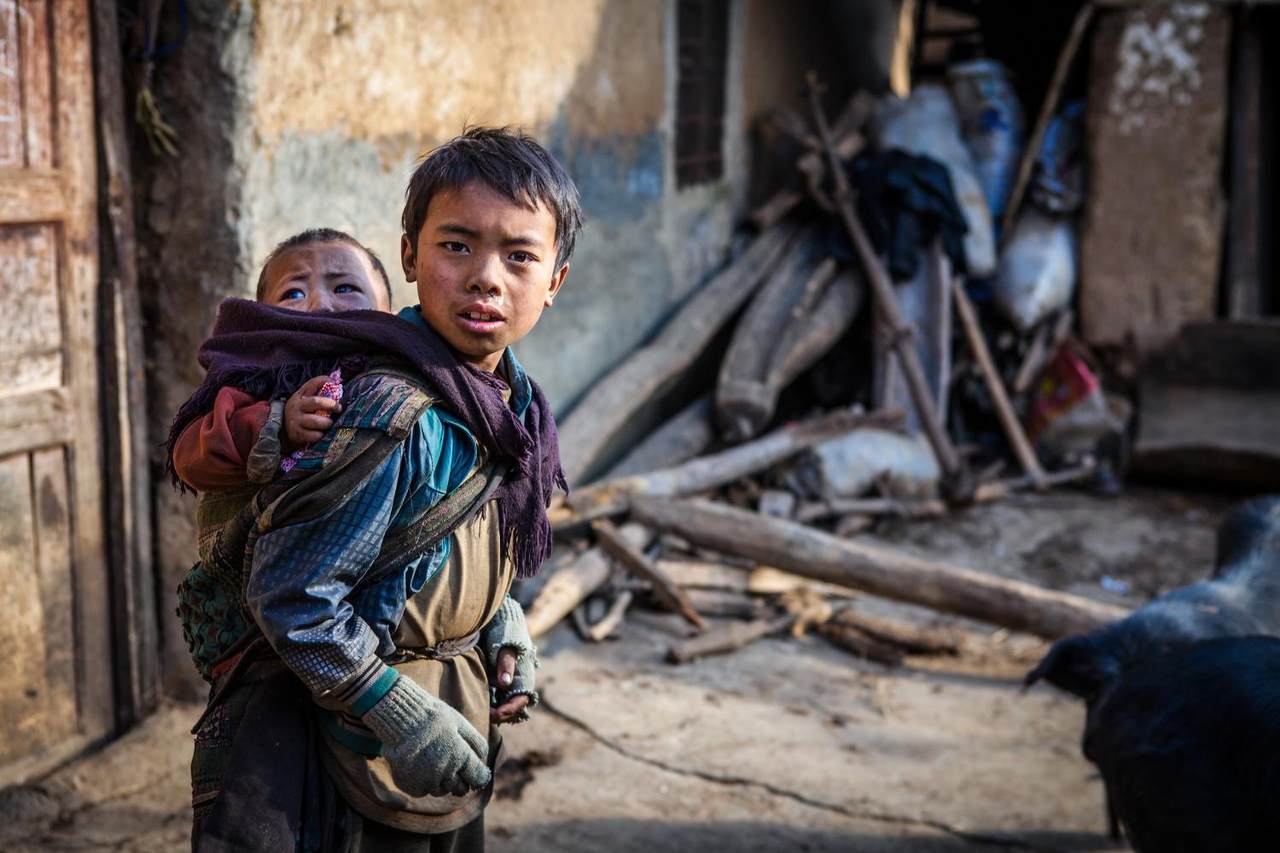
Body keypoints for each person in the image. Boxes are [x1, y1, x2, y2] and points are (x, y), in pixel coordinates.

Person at [173, 127, 582, 852]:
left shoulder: (512, 407)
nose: (487, 276)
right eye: (457, 245)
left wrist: (497, 621)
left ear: (555, 280)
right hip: (326, 737)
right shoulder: (387, 410)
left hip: (446, 713)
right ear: (410, 255)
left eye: (519, 255)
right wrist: (394, 707)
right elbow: (292, 595)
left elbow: (436, 542)